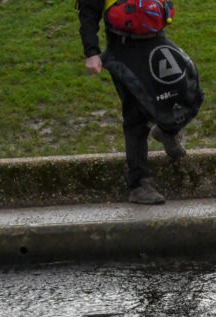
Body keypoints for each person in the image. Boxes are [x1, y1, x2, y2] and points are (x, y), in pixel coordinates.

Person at [77, 0, 193, 205]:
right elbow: (88, 11)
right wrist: (92, 52)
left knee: (183, 90)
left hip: (156, 40)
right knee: (135, 116)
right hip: (123, 49)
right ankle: (139, 185)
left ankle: (167, 131)